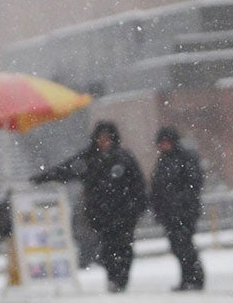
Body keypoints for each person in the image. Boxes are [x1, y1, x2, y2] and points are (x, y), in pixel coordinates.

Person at [32, 121, 147, 292]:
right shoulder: (90, 158)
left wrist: (135, 209)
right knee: (108, 250)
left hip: (123, 216)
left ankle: (120, 280)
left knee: (123, 250)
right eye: (101, 139)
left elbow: (138, 186)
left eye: (107, 139)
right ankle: (114, 279)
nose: (104, 142)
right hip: (101, 217)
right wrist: (44, 177)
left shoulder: (123, 159)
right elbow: (67, 169)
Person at [148, 127, 207, 292]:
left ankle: (194, 278)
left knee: (185, 246)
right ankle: (188, 278)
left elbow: (193, 183)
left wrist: (179, 202)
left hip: (184, 213)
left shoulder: (185, 159)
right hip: (170, 214)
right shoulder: (163, 162)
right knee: (178, 247)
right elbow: (157, 189)